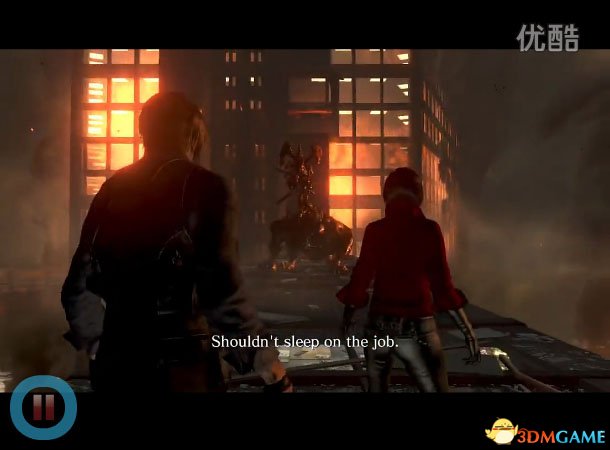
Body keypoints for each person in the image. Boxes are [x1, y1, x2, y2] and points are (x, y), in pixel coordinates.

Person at [61, 92, 291, 393]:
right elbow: (219, 288)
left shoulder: (111, 189)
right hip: (181, 367)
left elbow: (77, 287)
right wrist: (264, 360)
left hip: (116, 365)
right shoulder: (204, 186)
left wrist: (102, 346)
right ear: (191, 129)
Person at [337, 167, 480, 392]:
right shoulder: (429, 230)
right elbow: (443, 287)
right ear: (418, 194)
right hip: (418, 327)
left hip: (379, 328)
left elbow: (360, 281)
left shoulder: (375, 230)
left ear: (386, 193)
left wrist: (347, 319)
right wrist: (467, 331)